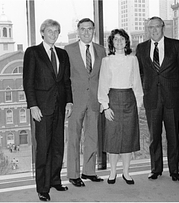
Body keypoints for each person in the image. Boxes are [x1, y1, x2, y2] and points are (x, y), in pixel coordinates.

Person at [23, 19, 73, 201]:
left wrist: (69, 102)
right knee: (43, 148)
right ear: (42, 33)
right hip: (42, 108)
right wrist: (33, 105)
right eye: (50, 31)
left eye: (56, 31)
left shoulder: (62, 54)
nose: (53, 34)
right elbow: (28, 82)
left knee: (58, 146)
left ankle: (55, 180)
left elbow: (66, 81)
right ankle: (42, 188)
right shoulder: (33, 52)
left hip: (60, 107)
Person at [136, 16, 179, 182]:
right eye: (150, 27)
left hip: (171, 98)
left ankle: (174, 170)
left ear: (163, 27)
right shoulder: (141, 48)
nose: (153, 30)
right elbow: (141, 72)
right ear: (147, 29)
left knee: (173, 136)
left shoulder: (176, 45)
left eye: (156, 27)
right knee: (154, 137)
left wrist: (172, 86)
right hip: (152, 98)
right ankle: (155, 169)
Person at [98, 29, 143, 185]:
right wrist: (105, 106)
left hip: (130, 100)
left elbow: (137, 83)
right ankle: (112, 172)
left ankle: (126, 172)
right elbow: (102, 84)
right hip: (112, 100)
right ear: (111, 42)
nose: (118, 42)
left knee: (128, 138)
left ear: (126, 42)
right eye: (115, 39)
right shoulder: (106, 61)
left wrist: (138, 105)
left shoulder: (133, 60)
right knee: (112, 138)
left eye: (122, 39)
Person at [64, 18, 106, 187]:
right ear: (78, 31)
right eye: (83, 29)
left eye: (89, 29)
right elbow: (65, 78)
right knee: (73, 138)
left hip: (95, 101)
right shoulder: (68, 50)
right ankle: (73, 174)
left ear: (93, 30)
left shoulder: (101, 50)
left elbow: (104, 77)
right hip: (75, 101)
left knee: (92, 137)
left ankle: (89, 171)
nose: (86, 32)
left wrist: (104, 99)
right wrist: (67, 101)